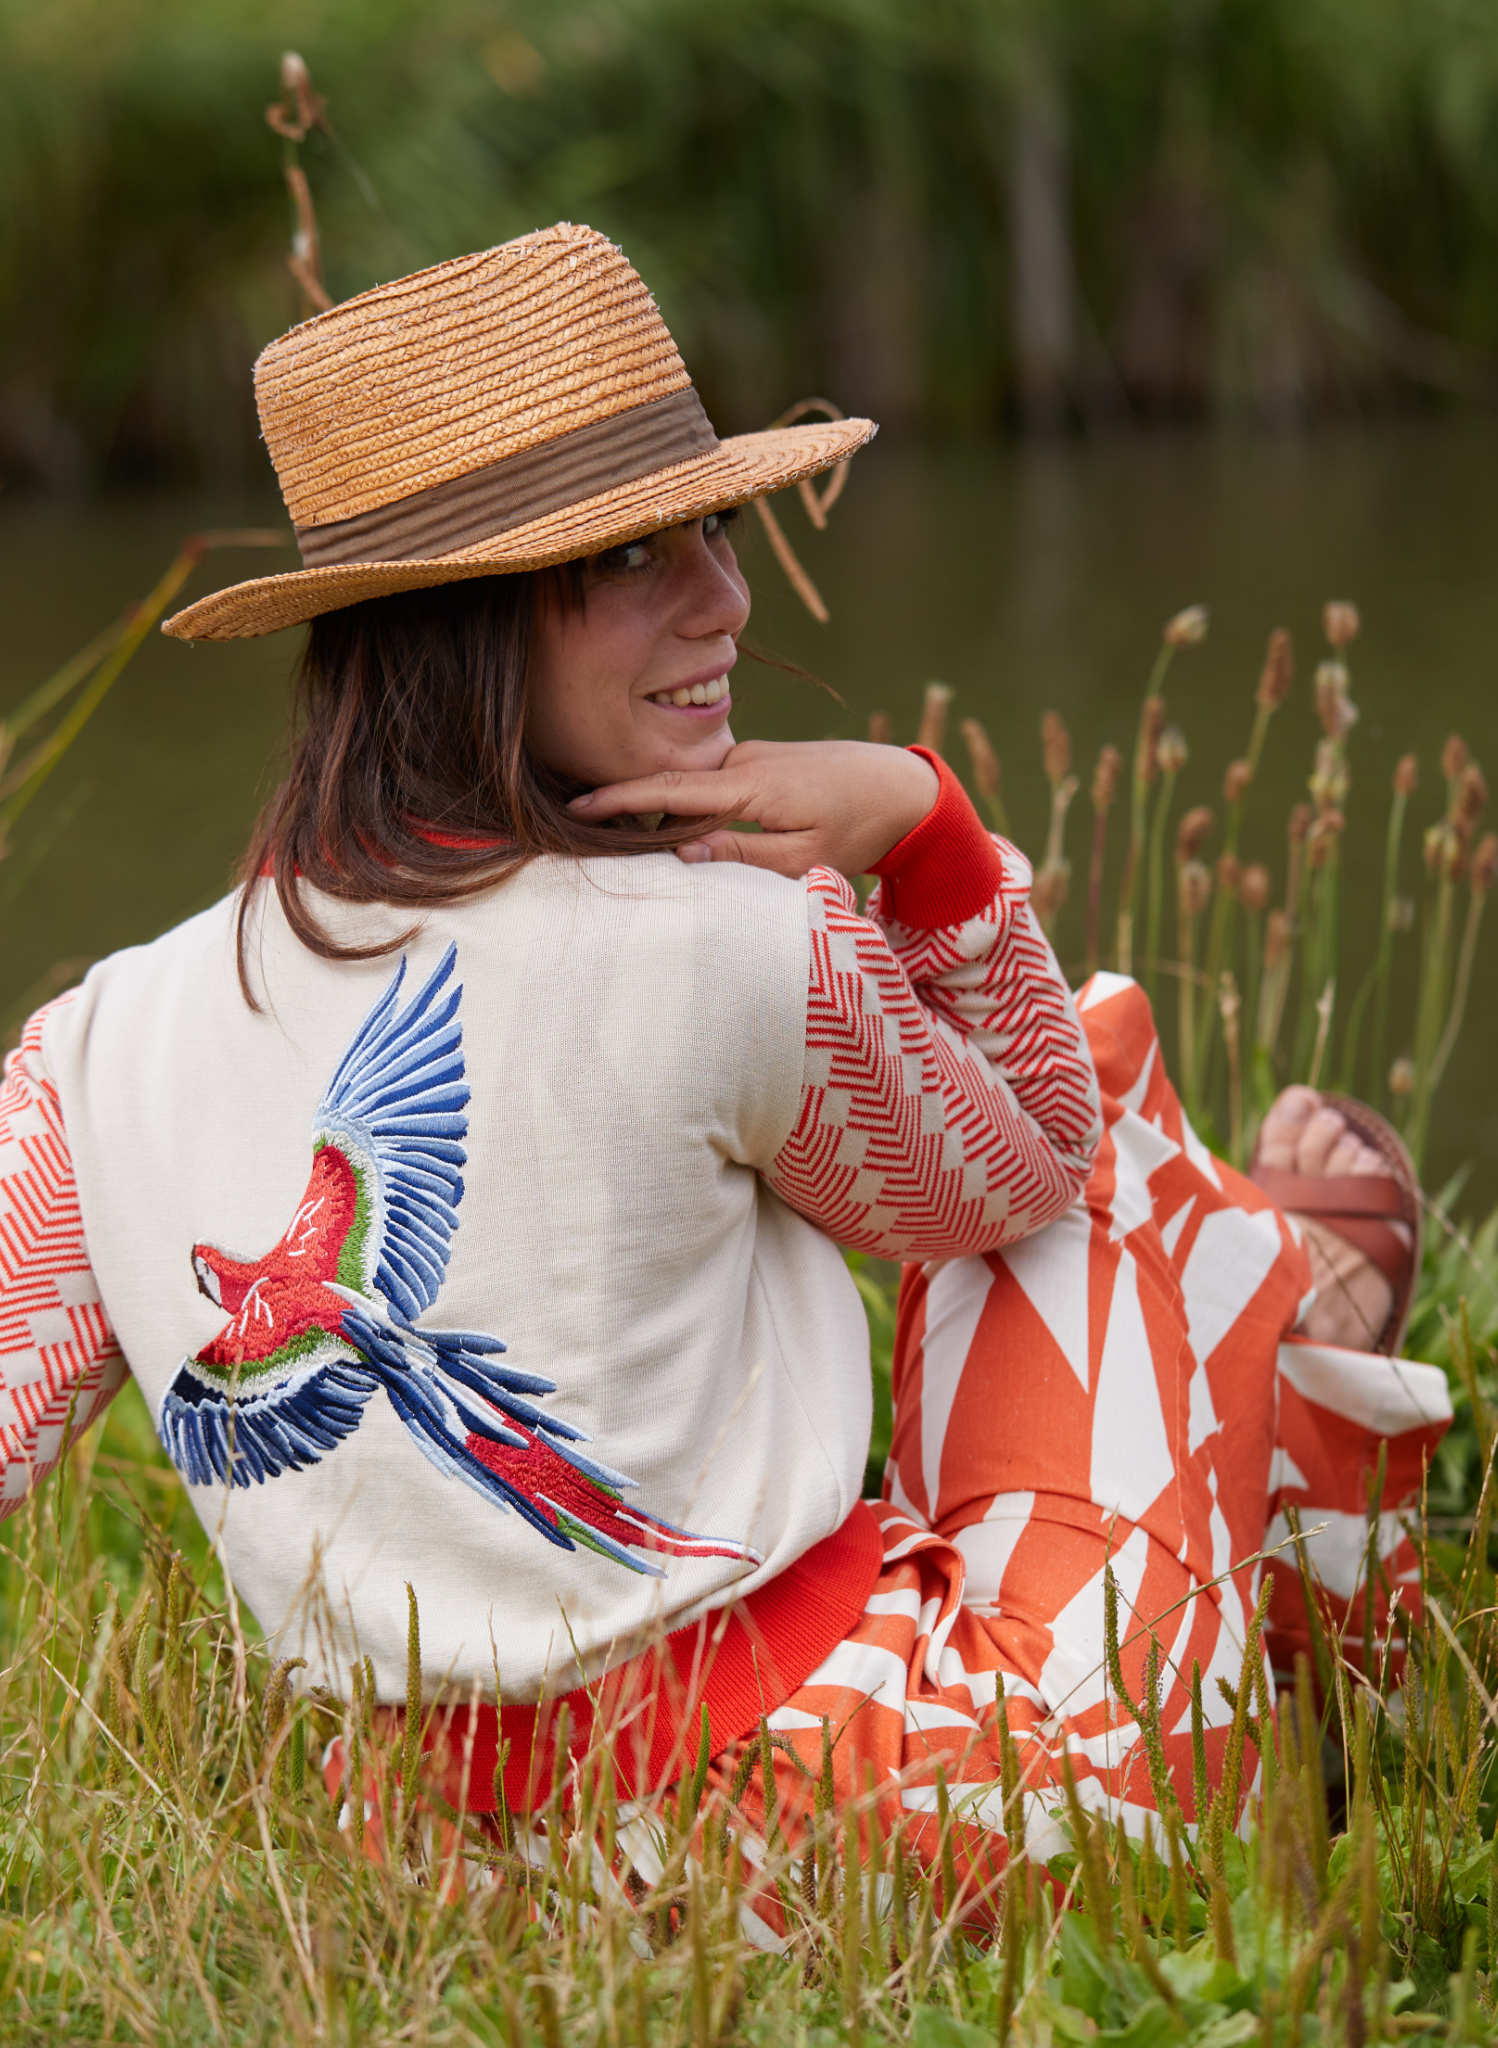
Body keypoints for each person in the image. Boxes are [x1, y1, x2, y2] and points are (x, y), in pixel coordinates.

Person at [0, 224, 1450, 1931]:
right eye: (636, 556)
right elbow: (1039, 1166)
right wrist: (927, 827)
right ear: (462, 620)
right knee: (1117, 1096)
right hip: (884, 1815)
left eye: (714, 528)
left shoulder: (98, 1043)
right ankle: (1304, 1380)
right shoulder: (735, 946)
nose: (729, 599)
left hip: (431, 1876)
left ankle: (1284, 1342)